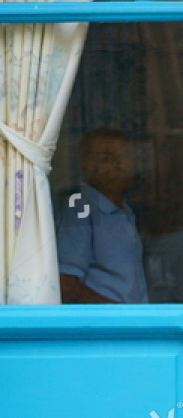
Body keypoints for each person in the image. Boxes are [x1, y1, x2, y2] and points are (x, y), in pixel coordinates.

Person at [56, 129, 148, 304]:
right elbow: (65, 284)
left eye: (125, 157)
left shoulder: (124, 212)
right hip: (105, 328)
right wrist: (119, 314)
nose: (120, 165)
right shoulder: (80, 211)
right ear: (85, 166)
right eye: (107, 158)